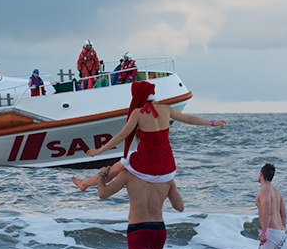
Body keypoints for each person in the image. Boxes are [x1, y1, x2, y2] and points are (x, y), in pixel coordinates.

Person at [72, 81, 226, 192]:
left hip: (147, 164)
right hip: (167, 167)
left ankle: (84, 184)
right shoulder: (166, 109)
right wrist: (212, 122)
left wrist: (100, 151)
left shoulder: (137, 113)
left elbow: (121, 136)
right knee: (126, 163)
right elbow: (190, 119)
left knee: (116, 168)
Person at [95, 165, 185, 249]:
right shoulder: (166, 179)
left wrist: (101, 175)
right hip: (159, 230)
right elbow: (180, 207)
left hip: (139, 230)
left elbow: (103, 193)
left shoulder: (128, 175)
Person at [255, 163, 287, 249]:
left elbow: (267, 212)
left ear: (261, 174)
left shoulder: (264, 190)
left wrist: (264, 233)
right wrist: (283, 232)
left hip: (272, 232)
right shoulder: (278, 192)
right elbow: (284, 215)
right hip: (280, 232)